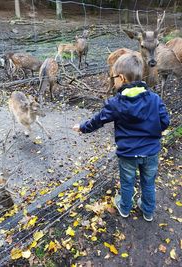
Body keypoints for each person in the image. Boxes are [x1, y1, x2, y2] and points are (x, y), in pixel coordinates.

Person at [73, 53, 170, 222]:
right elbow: (165, 122)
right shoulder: (154, 99)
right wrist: (152, 134)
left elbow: (98, 120)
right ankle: (148, 211)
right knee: (148, 183)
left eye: (114, 76)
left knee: (127, 183)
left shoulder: (115, 104)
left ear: (122, 78)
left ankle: (125, 207)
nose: (113, 80)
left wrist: (83, 127)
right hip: (151, 153)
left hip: (128, 154)